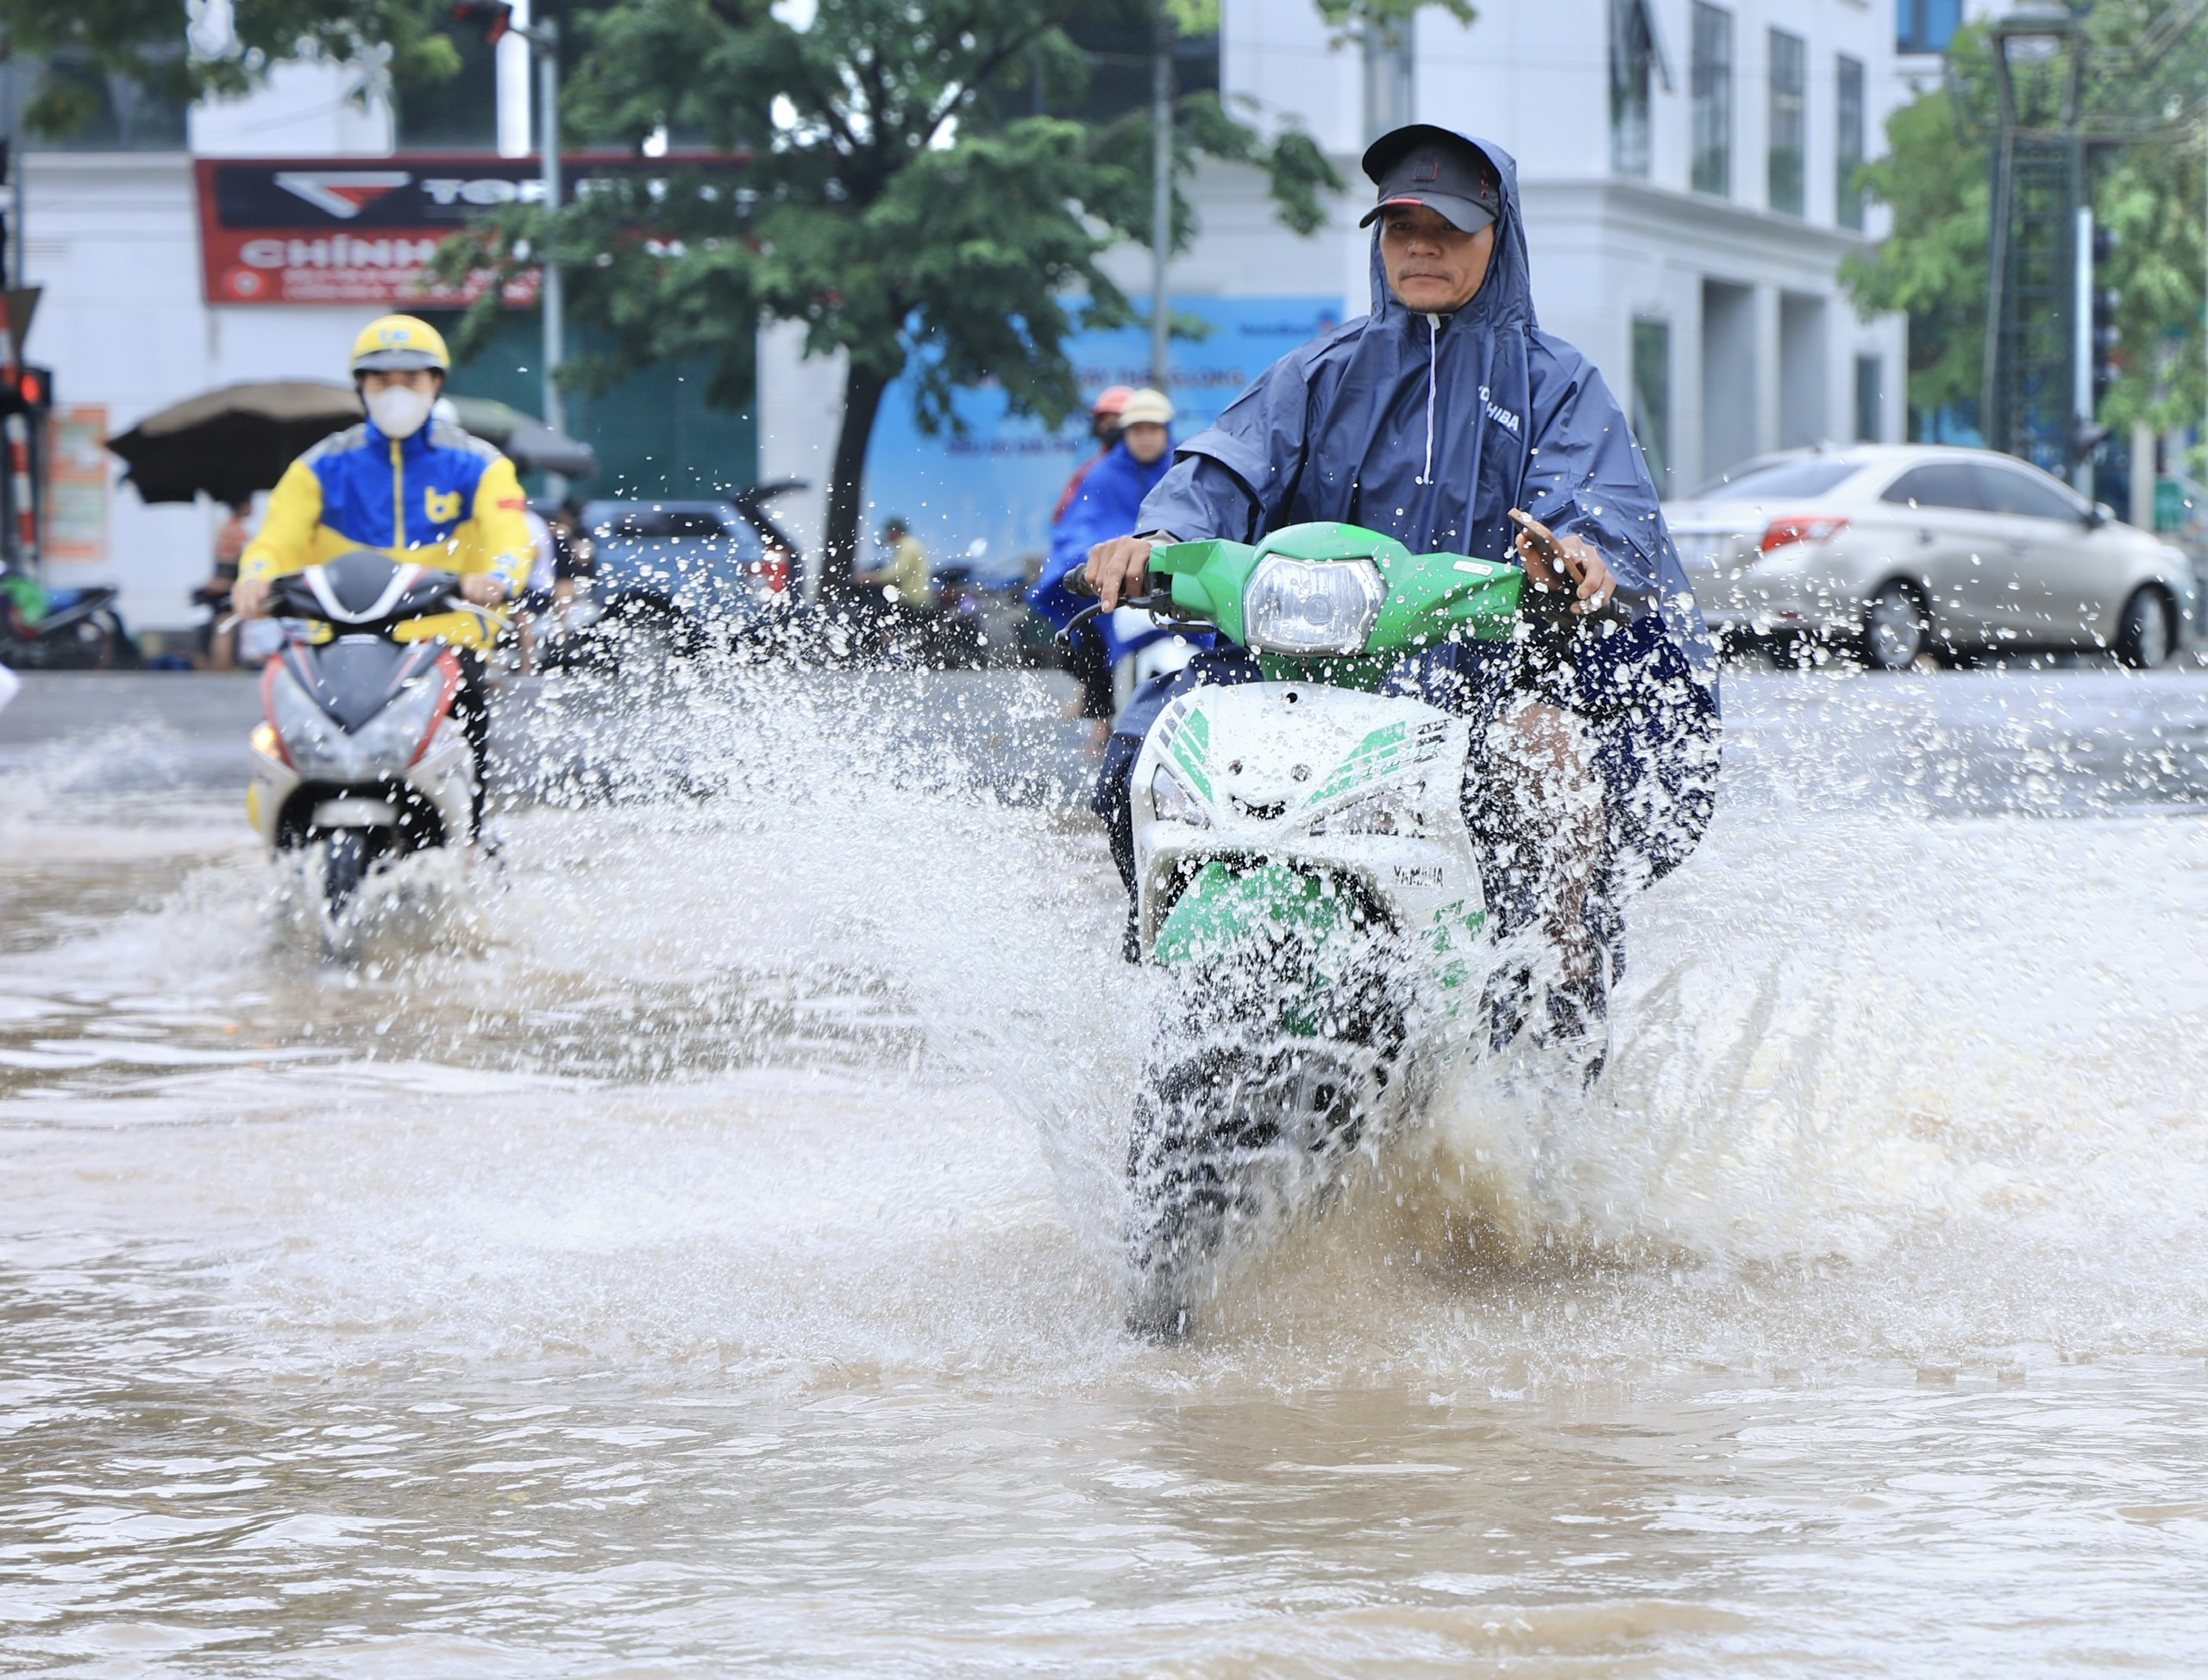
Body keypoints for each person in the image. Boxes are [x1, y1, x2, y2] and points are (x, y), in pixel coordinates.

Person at [1081, 124, 1722, 1052]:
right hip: (1304, 674)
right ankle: (1175, 969)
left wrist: (1577, 553)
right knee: (1146, 751)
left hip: (1490, 682)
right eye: (1399, 226)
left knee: (1550, 771)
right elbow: (1225, 465)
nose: (1419, 246)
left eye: (1447, 227)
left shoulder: (1559, 385)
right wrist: (1159, 536)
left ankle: (1557, 996)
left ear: (1498, 236)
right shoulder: (1319, 371)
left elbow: (1598, 503)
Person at [230, 314, 532, 839]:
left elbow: (511, 533)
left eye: (411, 379)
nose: (396, 391)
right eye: (381, 380)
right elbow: (273, 540)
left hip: (445, 644)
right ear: (361, 387)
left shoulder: (479, 463)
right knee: (283, 744)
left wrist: (500, 576)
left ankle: (473, 844)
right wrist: (255, 577)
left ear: (436, 383)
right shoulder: (320, 466)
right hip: (339, 644)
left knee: (472, 744)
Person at [1032, 387, 1186, 746]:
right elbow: (1078, 526)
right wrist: (1093, 559)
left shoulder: (1184, 471)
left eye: (1154, 428)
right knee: (1087, 638)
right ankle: (1103, 718)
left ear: (1167, 430)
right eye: (1137, 429)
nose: (1145, 437)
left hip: (1175, 581)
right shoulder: (1101, 474)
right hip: (1114, 586)